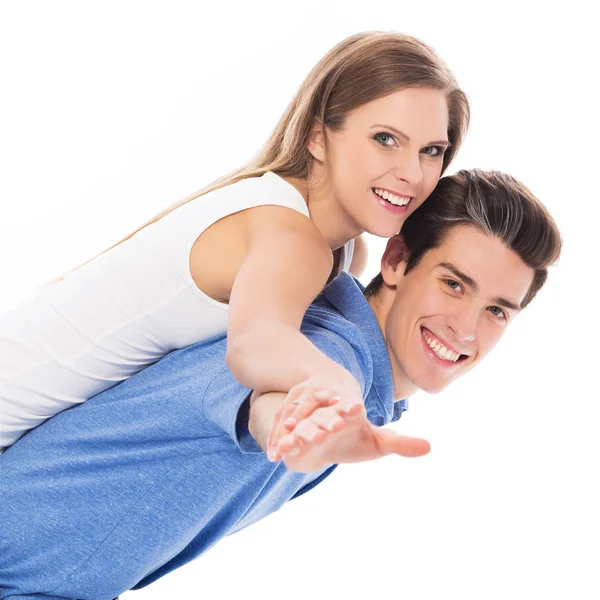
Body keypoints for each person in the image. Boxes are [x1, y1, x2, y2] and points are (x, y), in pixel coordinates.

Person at [0, 169, 561, 599]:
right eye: (453, 284)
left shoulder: (347, 368)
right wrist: (299, 415)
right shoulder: (328, 353)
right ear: (396, 260)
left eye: (497, 311)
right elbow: (261, 401)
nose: (465, 329)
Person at [0, 31, 470, 452]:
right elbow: (257, 340)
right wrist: (338, 386)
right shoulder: (291, 237)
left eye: (431, 150)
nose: (412, 172)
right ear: (317, 138)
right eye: (386, 139)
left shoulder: (341, 248)